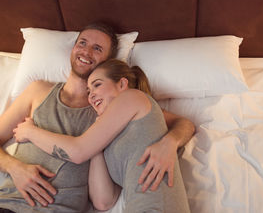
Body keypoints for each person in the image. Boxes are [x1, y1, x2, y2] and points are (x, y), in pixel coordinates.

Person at [0, 22, 195, 213]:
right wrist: (15, 168)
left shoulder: (113, 107)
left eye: (97, 48)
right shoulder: (37, 91)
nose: (86, 51)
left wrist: (169, 142)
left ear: (107, 62)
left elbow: (181, 123)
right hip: (10, 206)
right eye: (82, 43)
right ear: (73, 48)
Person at [13, 59, 191, 212]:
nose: (91, 96)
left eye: (97, 85)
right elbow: (103, 201)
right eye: (88, 91)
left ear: (122, 84)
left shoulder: (133, 98)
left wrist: (30, 131)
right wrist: (96, 144)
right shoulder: (113, 133)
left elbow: (78, 151)